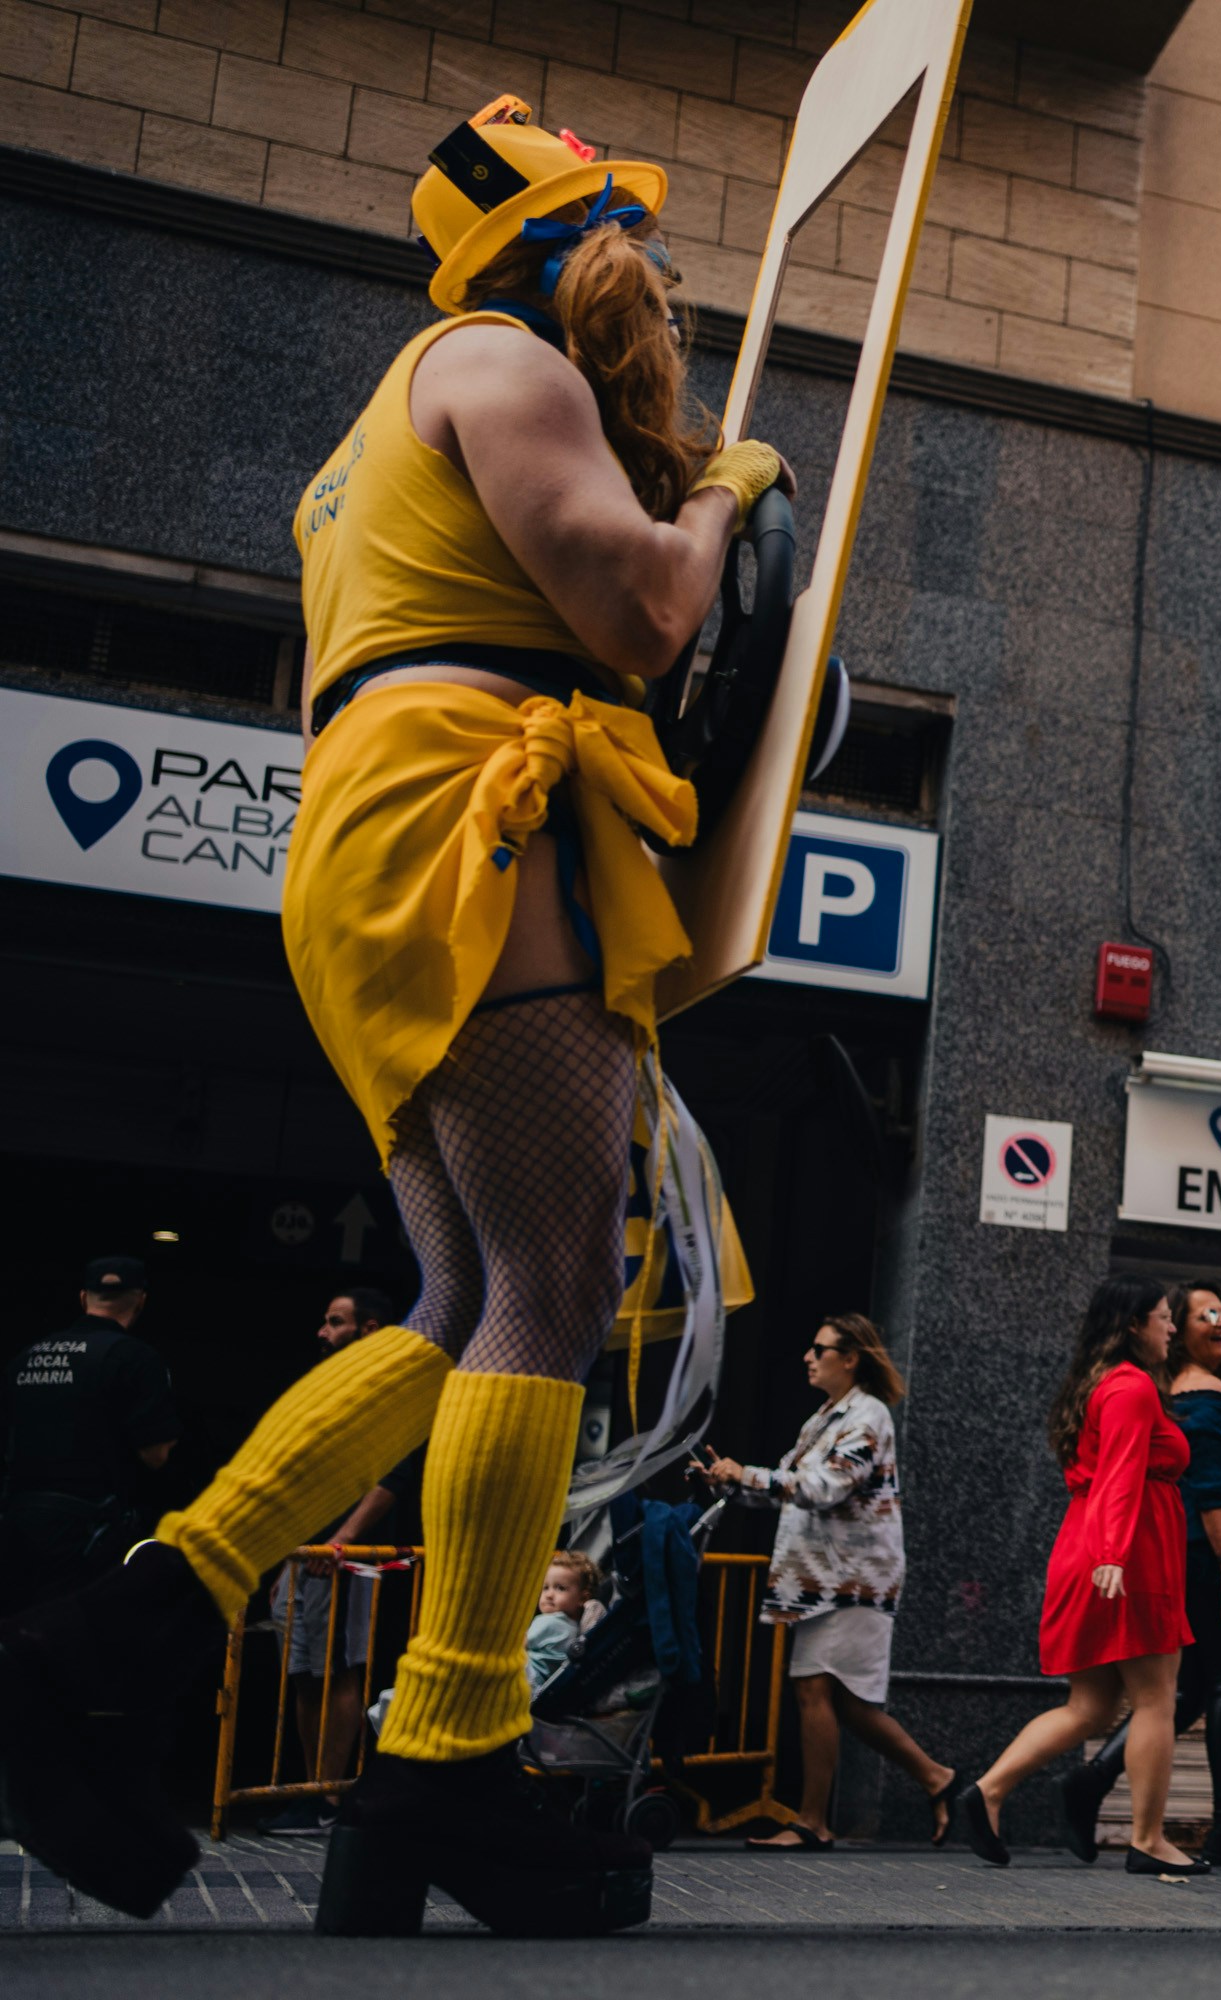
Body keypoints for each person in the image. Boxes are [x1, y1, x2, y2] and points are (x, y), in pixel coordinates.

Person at [0, 93, 790, 1933]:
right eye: (630, 232)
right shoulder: (507, 364)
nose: (658, 270)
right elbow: (648, 616)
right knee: (552, 1294)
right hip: (475, 813)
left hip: (375, 826)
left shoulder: (372, 433)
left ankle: (124, 1637)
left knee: (456, 1298)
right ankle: (443, 1750)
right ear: (566, 244)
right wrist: (729, 487)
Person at [956, 1276, 1200, 1877]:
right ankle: (1148, 1839)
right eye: (1164, 1317)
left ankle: (988, 1791)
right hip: (1127, 1556)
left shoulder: (1100, 1383)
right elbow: (1122, 1472)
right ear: (1133, 1325)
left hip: (1091, 1547)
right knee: (1156, 1699)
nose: (1173, 1327)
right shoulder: (1132, 1387)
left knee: (1090, 1706)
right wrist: (1114, 1553)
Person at [700, 1315, 961, 1852]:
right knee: (849, 1704)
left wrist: (746, 1474)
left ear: (851, 1358)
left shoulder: (867, 1417)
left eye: (819, 1349)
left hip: (851, 1579)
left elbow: (824, 1488)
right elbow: (790, 1488)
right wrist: (728, 1482)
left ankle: (813, 1822)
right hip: (827, 1579)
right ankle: (938, 1779)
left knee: (815, 1690)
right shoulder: (824, 1419)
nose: (808, 1357)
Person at [1061, 1285, 1221, 1869]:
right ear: (1175, 1331)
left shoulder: (1175, 1393)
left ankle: (1092, 1781)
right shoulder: (1206, 1398)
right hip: (1213, 1558)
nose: (1220, 1321)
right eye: (1202, 1314)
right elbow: (1213, 1492)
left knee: (1187, 1689)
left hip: (1183, 1556)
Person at [268, 1287, 407, 1821]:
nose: (322, 1332)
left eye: (335, 1321)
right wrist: (288, 1554)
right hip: (304, 1552)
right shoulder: (330, 1384)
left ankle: (327, 1796)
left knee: (340, 1669)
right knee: (305, 1672)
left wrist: (341, 1539)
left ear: (367, 1329)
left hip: (347, 1555)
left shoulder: (384, 1388)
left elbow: (392, 1476)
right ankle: (312, 1790)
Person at [0, 1254, 178, 1617]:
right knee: (75, 1634)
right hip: (90, 1534)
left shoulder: (26, 1356)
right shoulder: (137, 1359)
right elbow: (155, 1454)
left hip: (17, 1524)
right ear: (141, 1300)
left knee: (16, 1632)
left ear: (83, 1298)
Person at [526, 1550, 601, 1694]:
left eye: (560, 1588)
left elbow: (519, 1643)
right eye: (545, 1587)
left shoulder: (548, 1621)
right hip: (541, 1687)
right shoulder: (576, 1629)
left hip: (528, 1675)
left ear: (583, 1598)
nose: (549, 1595)